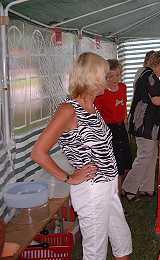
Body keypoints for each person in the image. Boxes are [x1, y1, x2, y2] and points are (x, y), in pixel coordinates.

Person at [31, 52, 132, 260]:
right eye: (105, 75)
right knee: (95, 251)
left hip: (109, 184)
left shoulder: (92, 106)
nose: (111, 79)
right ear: (93, 77)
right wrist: (69, 178)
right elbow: (38, 152)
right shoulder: (69, 109)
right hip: (92, 189)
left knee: (122, 240)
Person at [123, 51, 160, 199]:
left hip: (147, 124)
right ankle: (129, 188)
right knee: (145, 156)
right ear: (158, 65)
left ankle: (147, 188)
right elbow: (156, 100)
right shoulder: (150, 76)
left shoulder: (145, 74)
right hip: (144, 124)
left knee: (151, 156)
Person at [94, 59, 132, 196]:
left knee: (127, 161)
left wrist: (126, 122)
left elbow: (123, 107)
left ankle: (121, 189)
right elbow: (96, 115)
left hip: (121, 127)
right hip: (109, 129)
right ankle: (116, 195)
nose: (115, 79)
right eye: (110, 76)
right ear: (104, 77)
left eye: (117, 75)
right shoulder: (101, 93)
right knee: (117, 164)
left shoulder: (123, 87)